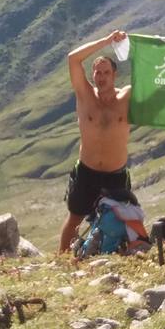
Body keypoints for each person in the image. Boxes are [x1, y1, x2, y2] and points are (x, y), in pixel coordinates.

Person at [59, 31, 134, 255]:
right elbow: (73, 58)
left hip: (115, 174)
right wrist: (106, 42)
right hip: (87, 172)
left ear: (114, 75)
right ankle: (61, 261)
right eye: (97, 72)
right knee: (74, 220)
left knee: (122, 219)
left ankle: (118, 258)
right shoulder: (85, 95)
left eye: (105, 72)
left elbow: (162, 77)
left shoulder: (127, 96)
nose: (100, 76)